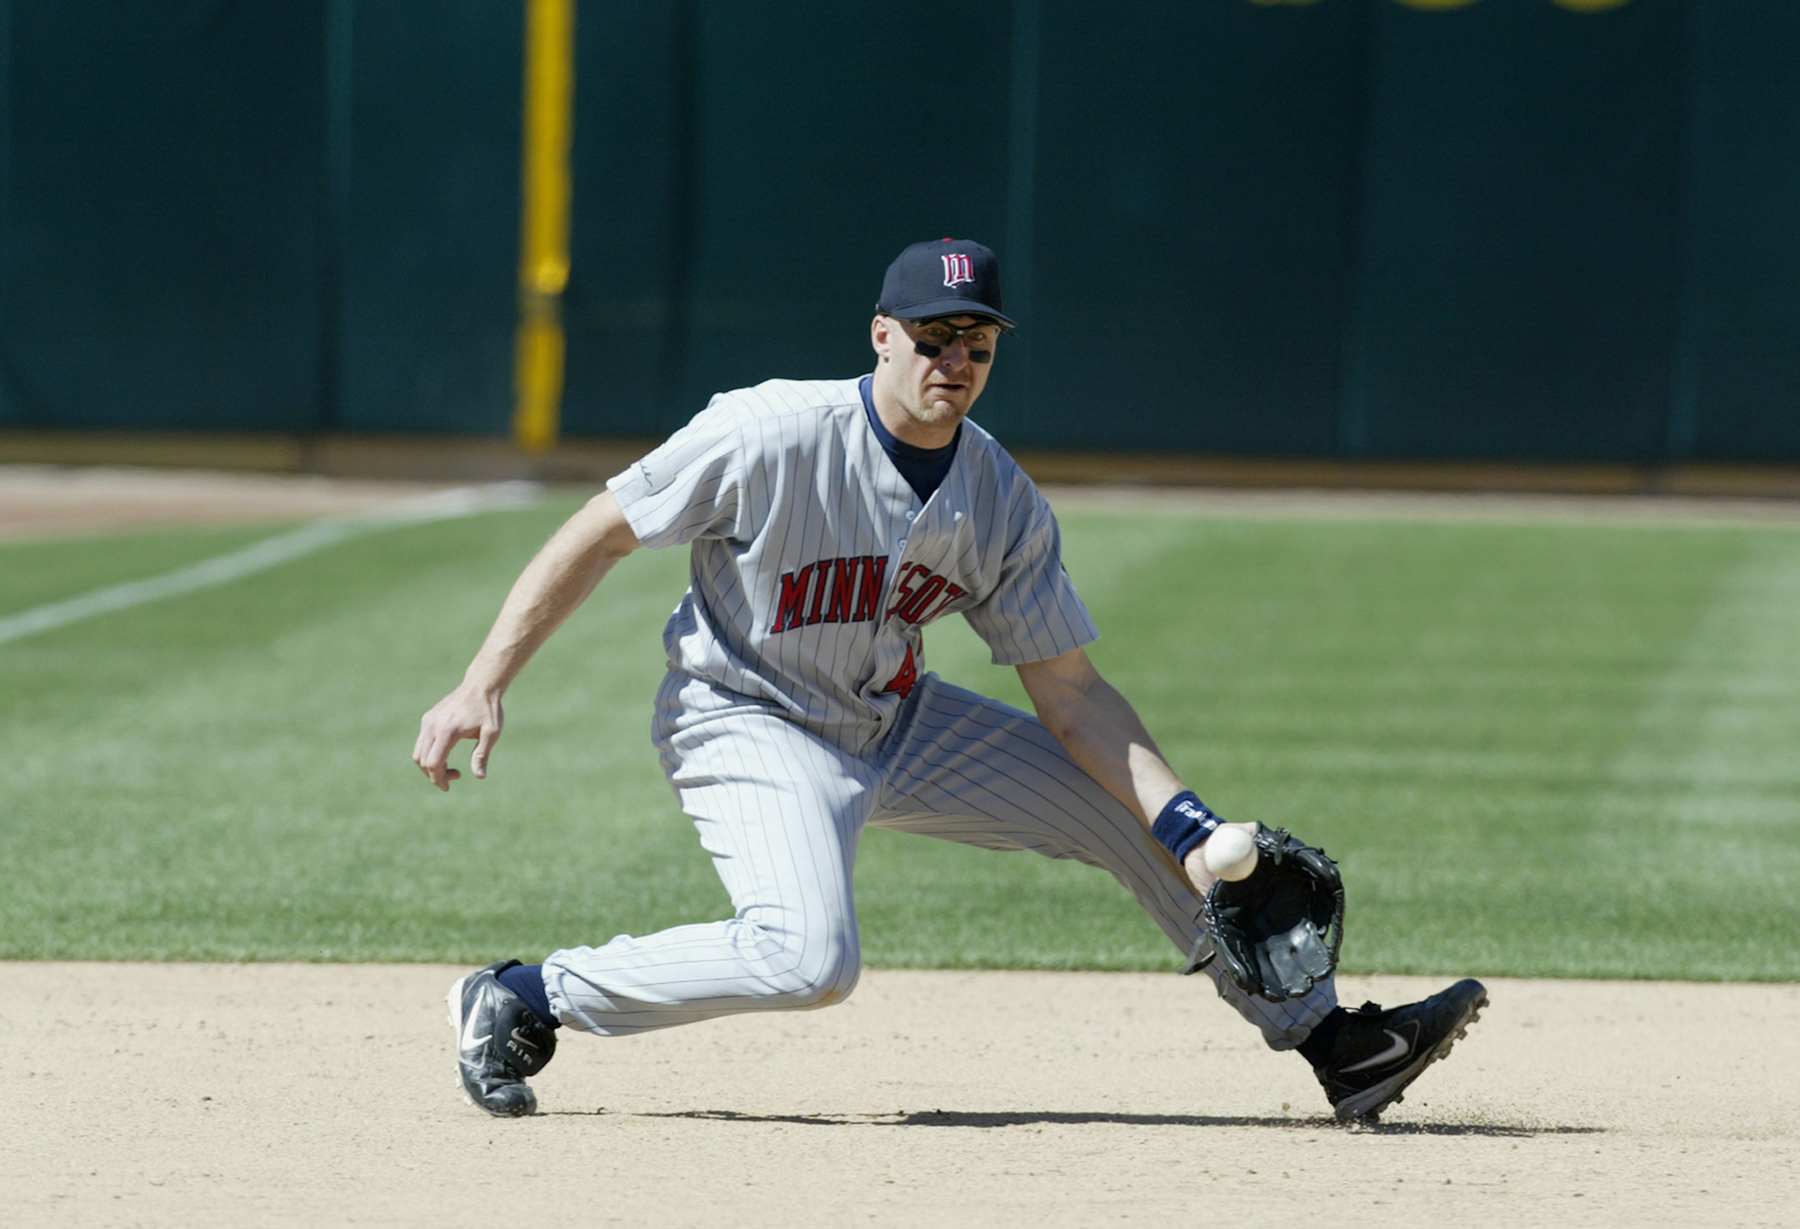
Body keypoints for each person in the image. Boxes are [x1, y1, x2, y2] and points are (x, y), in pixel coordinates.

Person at [413, 237, 1486, 1123]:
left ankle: (1335, 1044)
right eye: (932, 335)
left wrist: (1192, 823)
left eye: (975, 341)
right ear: (881, 335)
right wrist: (482, 680)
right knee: (807, 959)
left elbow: (1071, 694)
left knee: (1136, 824)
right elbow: (601, 530)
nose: (954, 358)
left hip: (897, 718)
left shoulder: (998, 496)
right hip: (745, 712)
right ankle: (525, 994)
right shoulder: (771, 433)